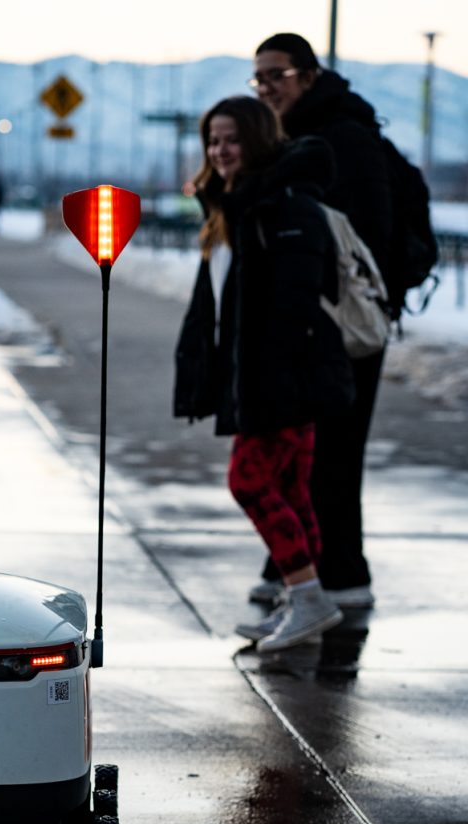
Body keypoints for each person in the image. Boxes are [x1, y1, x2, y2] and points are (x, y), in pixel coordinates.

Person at [173, 96, 353, 652]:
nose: (219, 150)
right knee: (292, 491)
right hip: (263, 375)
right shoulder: (236, 204)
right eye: (212, 140)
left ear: (256, 138)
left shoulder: (283, 204)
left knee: (248, 483)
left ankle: (308, 597)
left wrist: (267, 380)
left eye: (230, 139)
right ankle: (299, 603)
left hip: (282, 378)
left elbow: (295, 305)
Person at [248, 32, 394, 610]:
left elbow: (369, 240)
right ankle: (299, 568)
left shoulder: (345, 139)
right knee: (301, 452)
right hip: (308, 322)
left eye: (277, 75)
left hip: (344, 327)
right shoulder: (289, 137)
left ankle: (342, 574)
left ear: (309, 76)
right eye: (258, 78)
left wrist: (334, 309)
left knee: (334, 450)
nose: (266, 87)